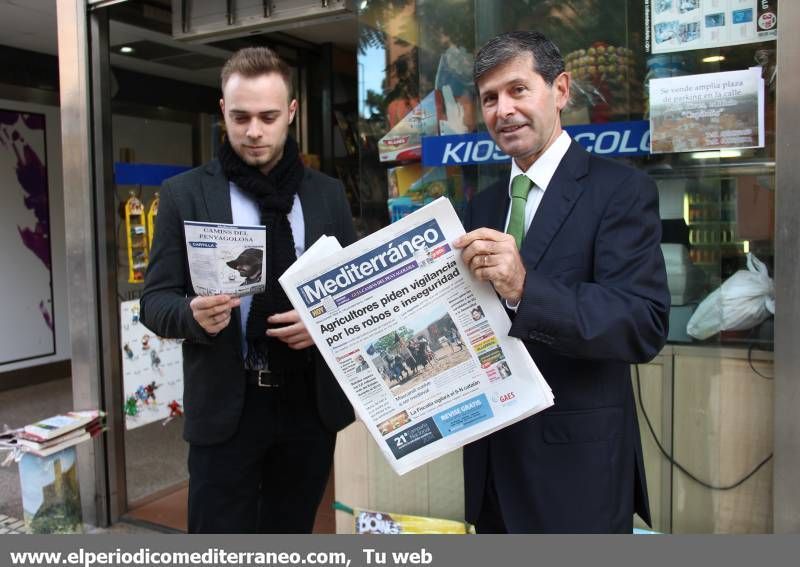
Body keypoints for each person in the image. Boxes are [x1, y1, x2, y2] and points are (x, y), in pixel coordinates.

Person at [454, 31, 669, 533]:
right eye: (489, 98)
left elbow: (643, 323)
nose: (503, 110)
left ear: (562, 90)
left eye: (518, 90)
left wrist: (526, 288)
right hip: (490, 469)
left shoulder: (621, 190)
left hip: (578, 476)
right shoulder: (481, 207)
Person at [140, 47, 357, 533]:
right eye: (240, 117)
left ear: (292, 114)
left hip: (308, 406)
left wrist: (324, 323)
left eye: (268, 116)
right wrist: (191, 315)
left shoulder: (327, 194)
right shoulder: (185, 194)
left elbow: (355, 293)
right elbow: (155, 302)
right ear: (222, 110)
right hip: (226, 405)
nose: (254, 131)